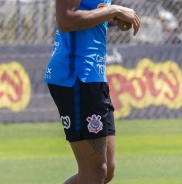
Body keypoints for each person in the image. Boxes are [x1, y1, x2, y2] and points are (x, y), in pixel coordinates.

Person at [44, 0, 140, 183]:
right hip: (76, 76)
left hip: (93, 75)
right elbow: (66, 21)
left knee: (107, 168)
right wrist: (115, 9)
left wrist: (113, 18)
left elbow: (90, 12)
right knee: (95, 171)